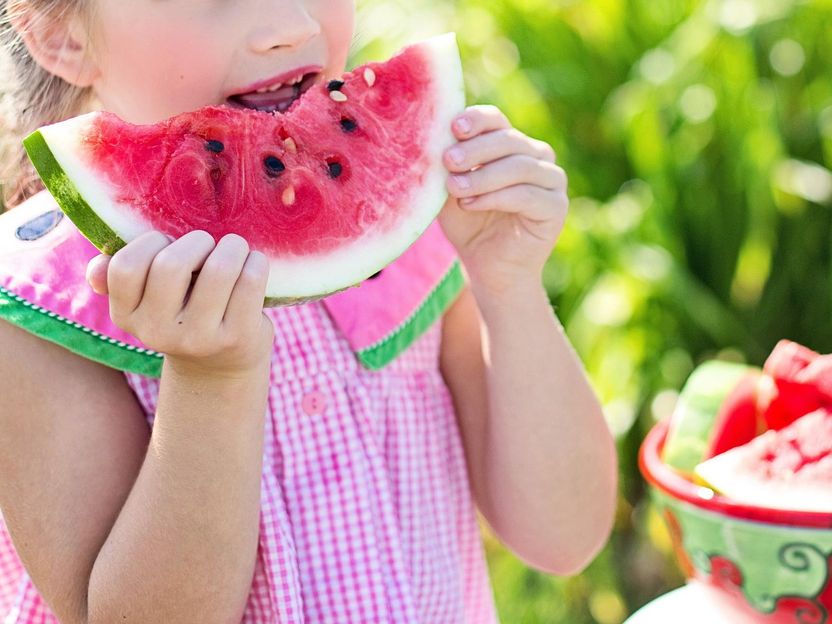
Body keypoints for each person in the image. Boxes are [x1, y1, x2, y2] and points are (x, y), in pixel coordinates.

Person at [0, 1, 617, 622]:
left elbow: (564, 536)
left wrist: (509, 287)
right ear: (60, 35)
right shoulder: (41, 310)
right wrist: (212, 380)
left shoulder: (411, 233)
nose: (294, 25)